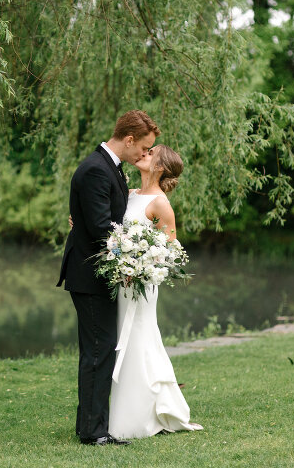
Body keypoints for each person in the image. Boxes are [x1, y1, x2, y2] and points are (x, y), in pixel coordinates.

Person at [57, 110, 159, 446]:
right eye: (143, 148)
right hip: (89, 276)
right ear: (128, 140)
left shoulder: (108, 167)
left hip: (97, 274)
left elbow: (104, 218)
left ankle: (91, 425)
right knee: (98, 352)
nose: (144, 155)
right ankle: (93, 431)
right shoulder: (95, 170)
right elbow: (103, 230)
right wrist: (132, 261)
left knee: (100, 351)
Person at [107, 144, 203, 438]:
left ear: (159, 167)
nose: (142, 154)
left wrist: (141, 267)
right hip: (120, 281)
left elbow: (171, 251)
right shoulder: (131, 194)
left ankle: (138, 417)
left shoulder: (161, 203)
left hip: (141, 284)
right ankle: (130, 409)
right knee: (122, 339)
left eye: (150, 153)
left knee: (139, 339)